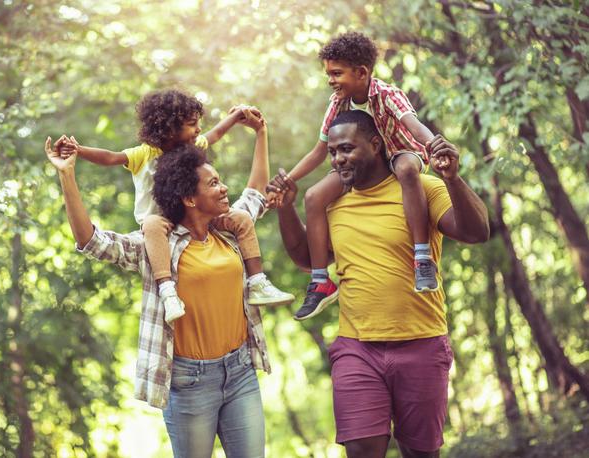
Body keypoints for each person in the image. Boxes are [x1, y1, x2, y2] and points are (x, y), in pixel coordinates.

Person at [46, 111, 275, 457]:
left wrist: (261, 133)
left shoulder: (228, 230)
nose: (224, 187)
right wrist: (68, 176)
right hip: (190, 381)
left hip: (240, 371)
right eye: (213, 183)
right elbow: (91, 240)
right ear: (188, 198)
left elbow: (256, 192)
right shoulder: (156, 247)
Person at [269, 110, 489, 458]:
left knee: (420, 452)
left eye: (346, 149)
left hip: (422, 342)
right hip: (358, 347)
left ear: (375, 144)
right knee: (360, 449)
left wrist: (453, 179)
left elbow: (476, 232)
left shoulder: (420, 188)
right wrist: (285, 208)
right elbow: (307, 259)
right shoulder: (332, 202)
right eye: (333, 152)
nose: (338, 159)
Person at [57, 89, 292, 324]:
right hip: (158, 225)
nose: (198, 129)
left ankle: (258, 281)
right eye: (192, 124)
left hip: (238, 357)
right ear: (169, 128)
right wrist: (76, 155)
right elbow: (110, 158)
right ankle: (167, 291)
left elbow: (218, 134)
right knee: (152, 224)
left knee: (241, 217)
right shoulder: (145, 154)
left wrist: (244, 119)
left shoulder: (221, 222)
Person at [274, 32, 437, 321]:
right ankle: (321, 280)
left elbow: (414, 125)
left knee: (406, 169)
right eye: (328, 74)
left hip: (400, 152)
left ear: (361, 73)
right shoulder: (338, 102)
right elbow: (319, 151)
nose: (331, 80)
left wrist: (435, 145)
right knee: (314, 197)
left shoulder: (388, 94)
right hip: (362, 164)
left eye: (337, 73)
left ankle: (422, 256)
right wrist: (290, 180)